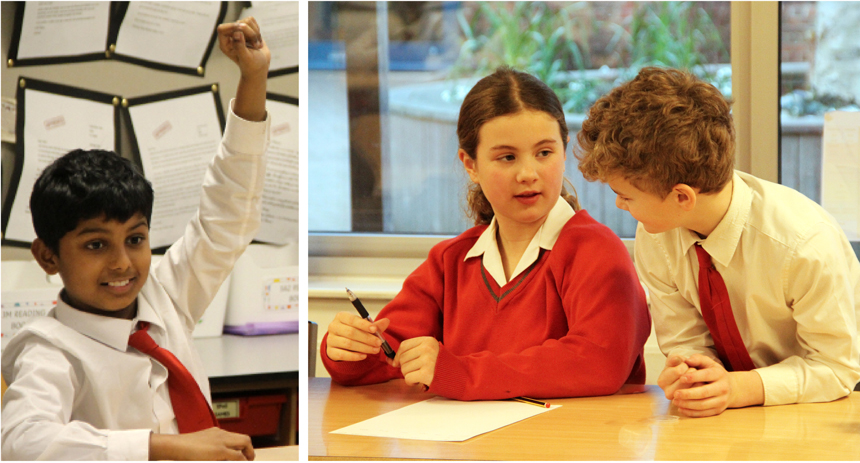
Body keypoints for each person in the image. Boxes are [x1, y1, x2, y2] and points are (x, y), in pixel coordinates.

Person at [1, 17, 271, 460]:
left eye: (135, 239)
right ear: (47, 256)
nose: (122, 263)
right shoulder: (49, 349)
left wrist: (254, 77)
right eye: (95, 244)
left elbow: (229, 212)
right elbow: (22, 443)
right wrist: (165, 448)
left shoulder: (165, 297)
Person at [322, 67, 651, 401]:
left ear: (564, 151)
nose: (528, 173)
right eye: (507, 157)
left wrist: (460, 373)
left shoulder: (597, 251)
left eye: (544, 153)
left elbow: (599, 363)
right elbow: (385, 357)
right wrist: (348, 349)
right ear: (470, 165)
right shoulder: (449, 262)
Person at [576, 66, 860, 417]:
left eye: (626, 196)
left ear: (682, 197)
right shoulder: (657, 235)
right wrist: (690, 372)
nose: (619, 204)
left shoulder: (803, 245)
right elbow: (685, 340)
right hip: (730, 419)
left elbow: (837, 368)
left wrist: (741, 387)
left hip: (825, 410)